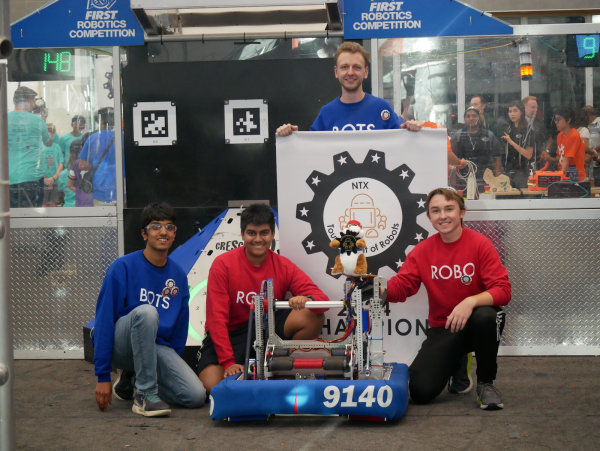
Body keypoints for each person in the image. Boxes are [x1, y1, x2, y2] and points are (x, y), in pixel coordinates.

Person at [383, 187, 511, 410]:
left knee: (486, 316)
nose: (443, 216)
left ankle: (486, 384)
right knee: (420, 392)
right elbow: (403, 287)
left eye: (449, 209)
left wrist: (469, 302)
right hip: (445, 327)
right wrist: (376, 285)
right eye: (436, 210)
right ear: (429, 217)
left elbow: (503, 290)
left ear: (462, 212)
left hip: (476, 323)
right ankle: (459, 362)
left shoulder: (481, 244)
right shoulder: (422, 251)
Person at [198, 203, 328, 393]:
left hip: (267, 334)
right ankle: (253, 375)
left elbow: (321, 300)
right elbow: (216, 318)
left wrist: (306, 299)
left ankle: (281, 366)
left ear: (272, 234)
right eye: (252, 233)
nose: (258, 239)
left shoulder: (283, 265)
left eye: (264, 233)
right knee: (213, 387)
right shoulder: (223, 264)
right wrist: (228, 362)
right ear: (242, 234)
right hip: (231, 335)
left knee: (311, 315)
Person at [93, 203, 205, 416]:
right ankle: (144, 395)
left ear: (174, 235)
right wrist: (103, 376)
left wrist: (170, 370)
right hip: (122, 345)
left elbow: (179, 331)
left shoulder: (178, 276)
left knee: (195, 396)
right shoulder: (122, 267)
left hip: (154, 346)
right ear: (144, 234)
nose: (163, 231)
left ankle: (133, 379)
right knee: (147, 312)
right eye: (156, 226)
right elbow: (104, 321)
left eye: (169, 227)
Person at [276, 42, 421, 135]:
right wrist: (292, 136)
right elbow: (310, 149)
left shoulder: (381, 108)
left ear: (366, 72)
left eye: (356, 67)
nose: (350, 72)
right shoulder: (327, 113)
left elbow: (402, 141)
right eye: (344, 67)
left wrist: (412, 128)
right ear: (336, 72)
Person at [7, 86, 52, 208]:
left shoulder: (3, 118)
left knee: (11, 217)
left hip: (7, 179)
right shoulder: (37, 121)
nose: (34, 105)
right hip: (32, 179)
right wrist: (43, 119)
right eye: (33, 102)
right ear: (26, 101)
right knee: (32, 218)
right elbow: (48, 142)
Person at [450, 107, 503, 189]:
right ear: (464, 119)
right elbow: (450, 156)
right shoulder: (458, 135)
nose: (471, 118)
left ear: (479, 119)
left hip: (485, 178)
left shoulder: (489, 135)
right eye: (468, 116)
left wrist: (497, 178)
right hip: (463, 179)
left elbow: (497, 157)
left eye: (474, 116)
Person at [78, 107, 118, 206]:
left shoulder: (92, 139)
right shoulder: (122, 137)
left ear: (100, 120)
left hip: (100, 189)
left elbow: (82, 166)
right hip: (121, 190)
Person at [502, 100, 534, 189]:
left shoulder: (528, 131)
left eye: (515, 111)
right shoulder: (509, 129)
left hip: (523, 172)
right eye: (510, 111)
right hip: (509, 171)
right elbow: (507, 152)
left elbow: (528, 155)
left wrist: (512, 142)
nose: (512, 114)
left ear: (522, 112)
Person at [553, 106, 586, 182]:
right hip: (564, 175)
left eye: (558, 119)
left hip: (576, 178)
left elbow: (566, 160)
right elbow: (560, 157)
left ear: (568, 120)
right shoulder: (559, 135)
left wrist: (560, 178)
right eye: (555, 119)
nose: (556, 122)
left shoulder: (574, 135)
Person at [522, 96, 553, 166]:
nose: (536, 110)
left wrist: (546, 151)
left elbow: (549, 139)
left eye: (536, 107)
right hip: (522, 164)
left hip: (538, 163)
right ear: (524, 108)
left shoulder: (538, 124)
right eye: (533, 107)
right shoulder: (518, 125)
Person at [41, 123, 64, 207]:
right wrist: (45, 178)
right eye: (49, 131)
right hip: (43, 181)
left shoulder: (57, 147)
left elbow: (60, 164)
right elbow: (37, 165)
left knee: (53, 204)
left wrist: (54, 177)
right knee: (44, 204)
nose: (51, 133)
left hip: (55, 181)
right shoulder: (40, 147)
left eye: (53, 131)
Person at [68, 140, 94, 207]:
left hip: (81, 202)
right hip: (95, 203)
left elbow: (70, 185)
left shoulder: (76, 163)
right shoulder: (98, 162)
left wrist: (81, 193)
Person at [58, 141, 81, 208]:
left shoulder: (63, 174)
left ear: (69, 153)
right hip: (85, 210)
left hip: (68, 210)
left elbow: (61, 191)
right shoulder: (89, 174)